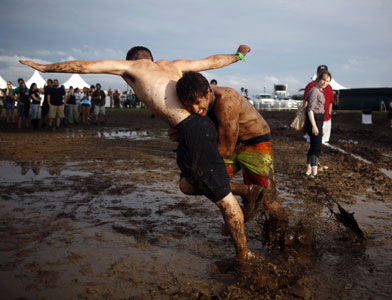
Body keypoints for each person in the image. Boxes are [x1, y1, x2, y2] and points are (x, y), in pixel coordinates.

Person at [20, 44, 260, 266]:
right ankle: (245, 190)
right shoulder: (173, 65)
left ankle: (243, 254)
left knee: (224, 201)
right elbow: (212, 61)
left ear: (131, 61)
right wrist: (238, 55)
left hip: (195, 131)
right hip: (193, 128)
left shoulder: (133, 67)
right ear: (151, 58)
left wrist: (44, 68)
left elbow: (83, 66)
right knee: (187, 185)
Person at [174, 71, 285, 222]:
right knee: (188, 185)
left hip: (255, 144)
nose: (195, 109)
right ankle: (247, 192)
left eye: (198, 102)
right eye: (189, 106)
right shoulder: (198, 100)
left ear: (208, 92)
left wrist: (195, 157)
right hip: (226, 143)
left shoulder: (227, 101)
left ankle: (286, 233)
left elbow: (226, 150)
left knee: (268, 201)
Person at [304, 71, 332, 178]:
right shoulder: (314, 91)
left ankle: (309, 169)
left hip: (319, 120)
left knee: (314, 146)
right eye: (324, 80)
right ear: (319, 78)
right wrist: (315, 126)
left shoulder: (320, 91)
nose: (325, 82)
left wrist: (320, 127)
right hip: (313, 120)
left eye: (328, 81)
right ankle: (314, 172)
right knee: (317, 146)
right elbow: (310, 110)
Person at [303, 65, 334, 144]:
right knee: (314, 142)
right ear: (317, 74)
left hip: (326, 118)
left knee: (324, 141)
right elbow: (306, 102)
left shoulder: (329, 87)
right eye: (320, 73)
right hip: (315, 117)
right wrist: (305, 115)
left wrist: (329, 114)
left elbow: (331, 102)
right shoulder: (311, 85)